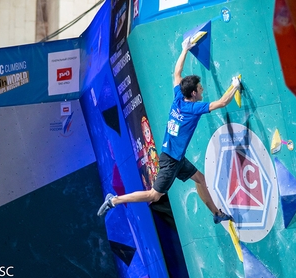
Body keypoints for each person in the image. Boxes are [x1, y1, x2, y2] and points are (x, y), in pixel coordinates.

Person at [97, 36, 240, 224]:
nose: (202, 89)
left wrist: (185, 49)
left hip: (175, 157)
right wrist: (235, 86)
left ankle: (216, 213)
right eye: (200, 88)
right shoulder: (193, 108)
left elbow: (177, 73)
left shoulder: (178, 97)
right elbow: (222, 102)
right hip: (171, 161)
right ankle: (114, 200)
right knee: (153, 196)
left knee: (200, 179)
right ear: (194, 94)